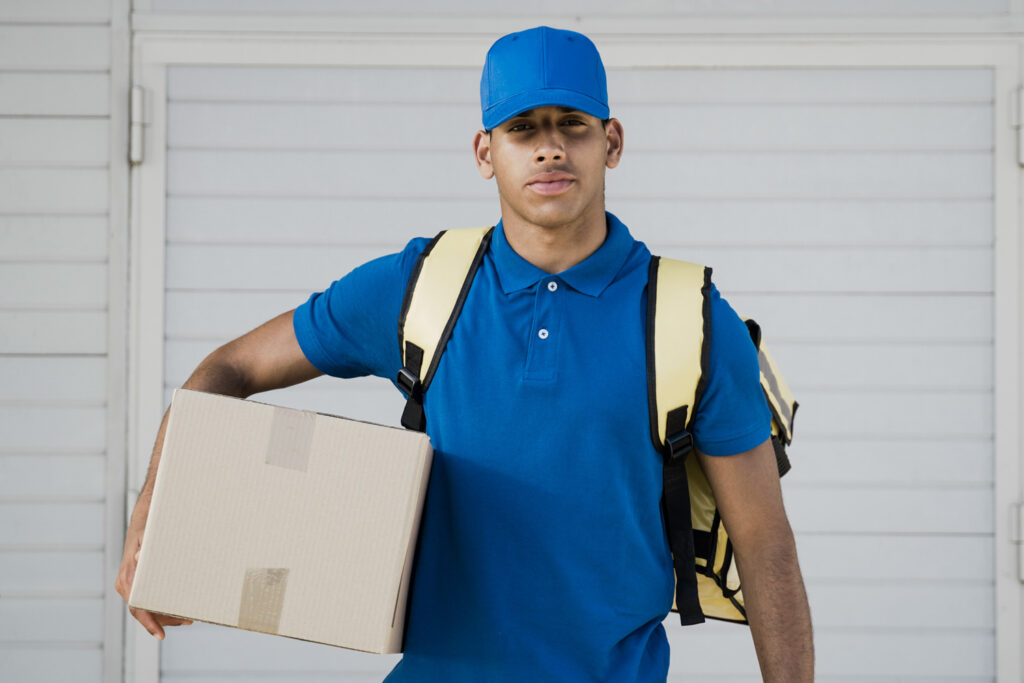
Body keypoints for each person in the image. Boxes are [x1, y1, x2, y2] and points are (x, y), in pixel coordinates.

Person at [116, 25, 813, 682]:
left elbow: (765, 543)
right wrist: (158, 504)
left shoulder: (689, 320)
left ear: (612, 141)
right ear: (486, 152)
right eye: (523, 129)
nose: (549, 149)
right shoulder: (421, 287)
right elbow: (229, 368)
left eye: (572, 124)